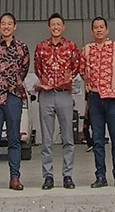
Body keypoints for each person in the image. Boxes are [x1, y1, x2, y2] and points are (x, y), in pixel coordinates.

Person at [0, 13, 30, 192]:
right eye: (3, 23)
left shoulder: (22, 48)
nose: (6, 26)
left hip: (14, 97)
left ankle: (14, 178)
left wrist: (12, 85)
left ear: (15, 26)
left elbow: (24, 70)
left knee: (14, 139)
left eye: (10, 24)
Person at [80, 16, 115, 189]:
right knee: (98, 140)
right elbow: (82, 71)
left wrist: (111, 83)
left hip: (113, 99)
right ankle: (100, 176)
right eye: (96, 27)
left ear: (107, 30)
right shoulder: (86, 50)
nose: (99, 30)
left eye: (102, 27)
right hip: (94, 98)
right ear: (92, 31)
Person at [33, 13, 81, 190]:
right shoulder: (41, 47)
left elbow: (76, 67)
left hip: (64, 94)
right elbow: (38, 69)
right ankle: (48, 176)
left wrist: (63, 80)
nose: (55, 27)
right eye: (53, 24)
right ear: (49, 27)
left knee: (68, 137)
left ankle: (68, 175)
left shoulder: (71, 46)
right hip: (46, 94)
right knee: (46, 139)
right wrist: (49, 82)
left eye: (58, 24)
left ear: (63, 27)